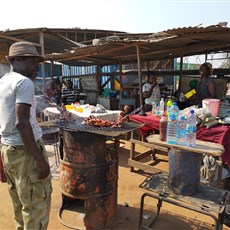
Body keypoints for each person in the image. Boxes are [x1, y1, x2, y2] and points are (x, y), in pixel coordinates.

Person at [0, 41, 52, 229]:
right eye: (33, 61)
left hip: (9, 150)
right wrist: (38, 158)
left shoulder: (3, 81)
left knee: (20, 203)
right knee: (36, 205)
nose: (36, 65)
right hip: (25, 153)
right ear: (19, 60)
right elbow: (21, 123)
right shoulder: (24, 82)